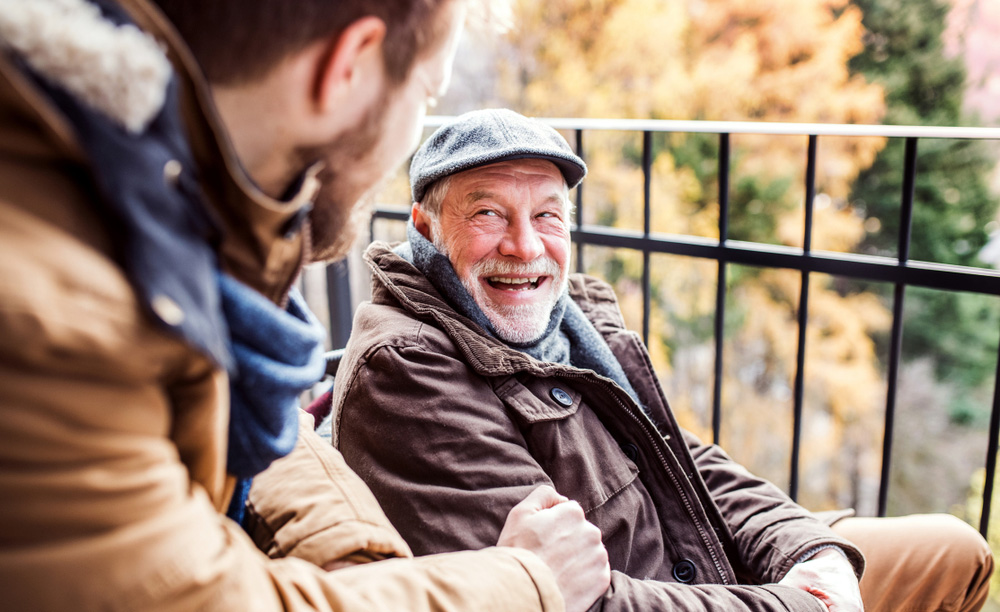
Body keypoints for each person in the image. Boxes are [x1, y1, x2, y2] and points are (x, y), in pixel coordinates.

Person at [0, 2, 611, 611]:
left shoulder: (153, 202)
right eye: (427, 94)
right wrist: (529, 584)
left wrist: (348, 555)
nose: (525, 244)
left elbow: (257, 427)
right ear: (347, 67)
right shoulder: (50, 308)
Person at [332, 108, 996, 612]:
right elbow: (572, 599)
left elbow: (682, 457)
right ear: (425, 227)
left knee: (953, 546)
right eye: (488, 214)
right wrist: (792, 604)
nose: (526, 245)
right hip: (664, 590)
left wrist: (808, 553)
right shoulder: (406, 369)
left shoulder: (567, 317)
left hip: (697, 554)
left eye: (547, 215)